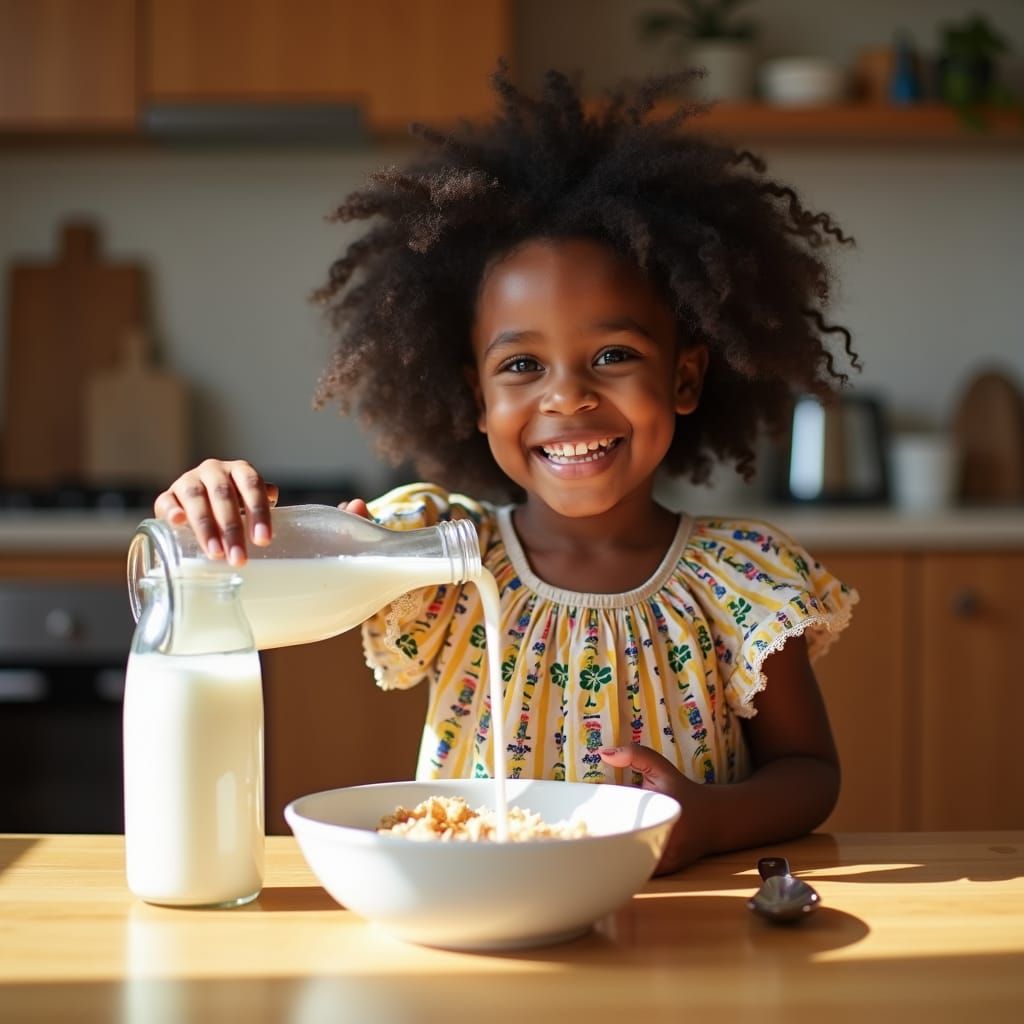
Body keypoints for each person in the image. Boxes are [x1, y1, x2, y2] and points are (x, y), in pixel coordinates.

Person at [155, 66, 859, 873]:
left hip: (685, 928)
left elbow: (808, 775)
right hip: (478, 934)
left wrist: (708, 823)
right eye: (522, 365)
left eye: (613, 355)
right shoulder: (434, 556)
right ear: (477, 399)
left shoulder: (743, 581)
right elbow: (251, 579)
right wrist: (210, 509)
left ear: (686, 377)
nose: (568, 396)